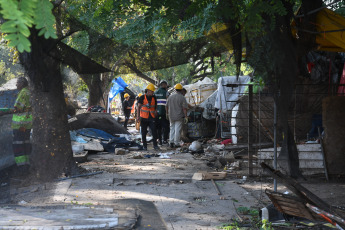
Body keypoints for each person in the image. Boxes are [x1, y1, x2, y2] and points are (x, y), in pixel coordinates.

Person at [12, 77, 32, 173]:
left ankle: (22, 169)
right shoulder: (28, 92)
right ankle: (26, 166)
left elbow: (18, 108)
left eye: (17, 83)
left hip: (20, 125)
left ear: (22, 83)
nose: (16, 85)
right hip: (26, 125)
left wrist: (4, 112)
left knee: (18, 146)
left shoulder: (23, 93)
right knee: (25, 144)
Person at [136, 84, 159, 151]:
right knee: (143, 132)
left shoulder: (154, 97)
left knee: (154, 131)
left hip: (152, 117)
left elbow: (155, 106)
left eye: (153, 91)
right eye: (152, 91)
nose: (152, 93)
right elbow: (138, 107)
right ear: (148, 91)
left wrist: (156, 113)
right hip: (143, 117)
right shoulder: (142, 97)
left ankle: (155, 145)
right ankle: (145, 146)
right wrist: (138, 117)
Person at [166, 83, 188, 148]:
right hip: (179, 116)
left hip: (171, 116)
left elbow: (166, 106)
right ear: (181, 90)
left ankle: (171, 142)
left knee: (172, 128)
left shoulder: (170, 97)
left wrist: (167, 113)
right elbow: (184, 108)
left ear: (175, 90)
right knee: (177, 129)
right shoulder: (182, 97)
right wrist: (186, 116)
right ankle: (176, 143)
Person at [155, 80, 170, 145]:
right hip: (164, 112)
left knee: (158, 128)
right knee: (166, 127)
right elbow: (168, 102)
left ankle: (160, 141)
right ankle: (164, 140)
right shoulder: (166, 93)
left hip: (157, 113)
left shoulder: (156, 92)